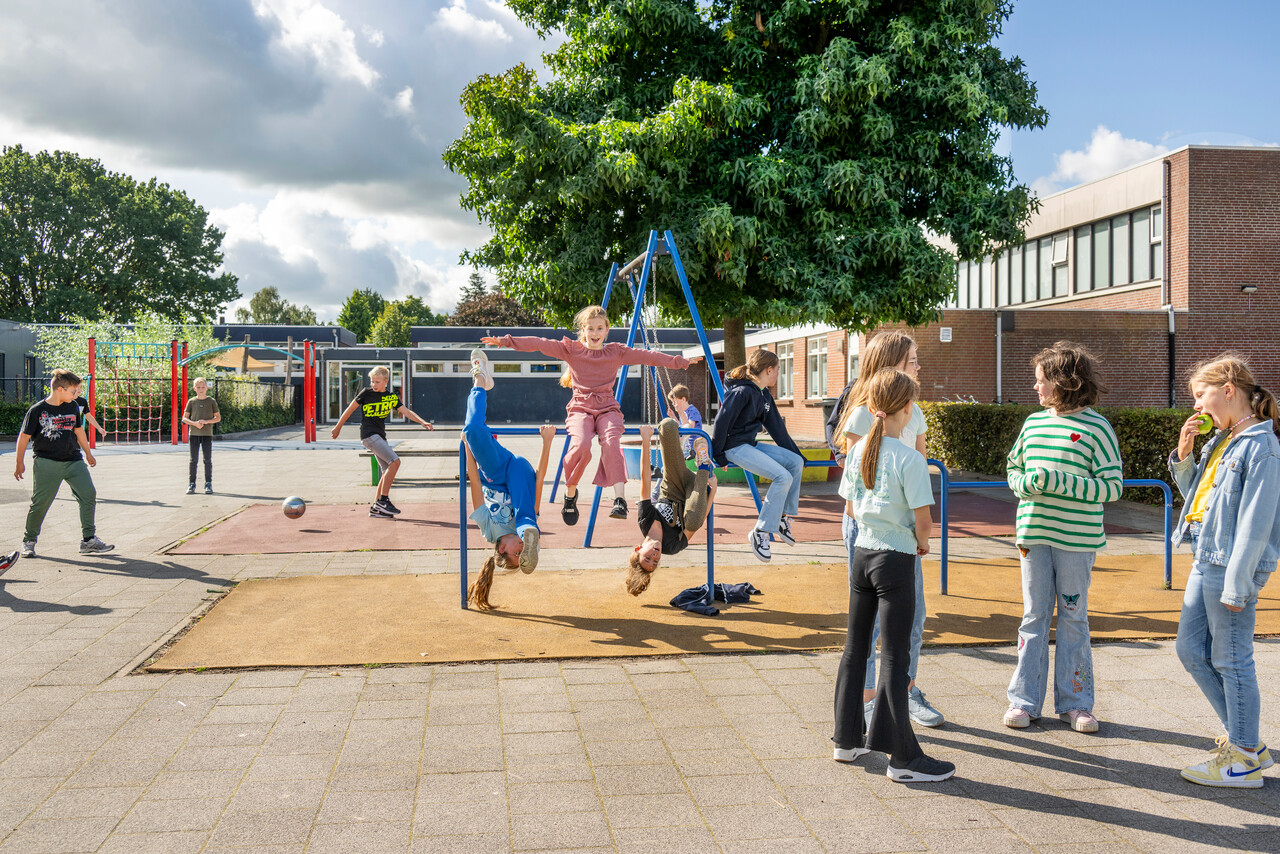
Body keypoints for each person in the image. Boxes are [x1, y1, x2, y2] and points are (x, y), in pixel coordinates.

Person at [832, 368, 952, 782]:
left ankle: (846, 740)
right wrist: (923, 544)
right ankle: (902, 759)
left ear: (871, 406)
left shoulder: (860, 451)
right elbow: (924, 521)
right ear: (908, 407)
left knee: (855, 649)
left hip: (862, 556)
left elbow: (850, 508)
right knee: (895, 655)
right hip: (895, 559)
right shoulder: (910, 459)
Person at [1169, 354, 1279, 788]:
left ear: (1228, 390)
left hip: (1229, 563)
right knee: (1191, 650)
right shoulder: (1225, 439)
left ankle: (1244, 759)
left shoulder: (1261, 446)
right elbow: (1198, 498)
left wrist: (1238, 584)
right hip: (1206, 554)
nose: (1197, 406)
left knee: (1231, 658)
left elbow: (1256, 522)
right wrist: (1184, 456)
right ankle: (1246, 743)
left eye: (1201, 394)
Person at [481, 305, 699, 524]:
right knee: (582, 444)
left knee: (611, 441)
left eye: (599, 328)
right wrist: (506, 341)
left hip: (607, 408)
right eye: (591, 328)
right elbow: (539, 343)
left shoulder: (616, 352)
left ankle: (620, 500)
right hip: (580, 407)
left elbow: (648, 356)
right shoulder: (571, 349)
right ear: (583, 330)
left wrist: (680, 362)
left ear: (607, 330)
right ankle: (570, 494)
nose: (595, 333)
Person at [1005, 341, 1122, 734]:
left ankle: (1076, 703)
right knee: (1033, 617)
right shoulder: (1033, 424)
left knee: (1073, 619)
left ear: (1065, 382)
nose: (1035, 387)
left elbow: (1112, 487)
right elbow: (1014, 469)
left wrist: (1058, 482)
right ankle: (1023, 701)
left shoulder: (1097, 428)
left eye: (1041, 380)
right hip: (1033, 535)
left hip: (1077, 541)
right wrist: (1025, 483)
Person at [464, 349, 557, 610]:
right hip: (520, 477)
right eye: (524, 551)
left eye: (518, 552)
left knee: (472, 430)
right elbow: (539, 481)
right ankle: (531, 530)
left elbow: (475, 482)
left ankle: (480, 379)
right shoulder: (522, 530)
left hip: (494, 475)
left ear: (502, 549)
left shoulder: (488, 529)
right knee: (527, 515)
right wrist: (547, 443)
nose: (520, 548)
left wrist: (469, 447)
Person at [711, 348, 804, 563]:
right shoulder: (741, 392)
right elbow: (721, 423)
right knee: (783, 477)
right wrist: (719, 455)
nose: (778, 374)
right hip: (734, 447)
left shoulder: (763, 395)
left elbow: (777, 428)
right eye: (778, 370)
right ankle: (760, 531)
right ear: (768, 370)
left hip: (749, 445)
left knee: (796, 462)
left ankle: (781, 517)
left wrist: (797, 454)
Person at [14, 369, 114, 558]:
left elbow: (79, 431)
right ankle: (29, 541)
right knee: (40, 503)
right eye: (73, 391)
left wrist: (88, 453)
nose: (76, 395)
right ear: (60, 389)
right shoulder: (37, 410)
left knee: (88, 494)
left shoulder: (73, 406)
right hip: (47, 462)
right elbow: (24, 436)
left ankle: (88, 541)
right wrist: (19, 462)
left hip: (74, 460)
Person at [627, 418, 718, 596]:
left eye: (648, 557)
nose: (655, 556)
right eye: (655, 561)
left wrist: (646, 440)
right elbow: (698, 520)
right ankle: (703, 464)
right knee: (693, 522)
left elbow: (646, 479)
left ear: (638, 549)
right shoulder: (673, 546)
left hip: (673, 485)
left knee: (667, 426)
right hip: (695, 492)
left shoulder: (645, 520)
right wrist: (713, 491)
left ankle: (683, 439)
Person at [330, 366, 434, 518]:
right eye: (372, 381)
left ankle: (376, 508)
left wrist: (422, 422)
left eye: (377, 382)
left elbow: (406, 411)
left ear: (386, 381)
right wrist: (338, 427)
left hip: (379, 436)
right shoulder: (366, 393)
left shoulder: (391, 397)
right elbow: (350, 409)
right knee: (395, 462)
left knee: (386, 471)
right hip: (369, 435)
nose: (374, 384)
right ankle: (383, 501)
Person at [181, 377, 221, 495]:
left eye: (203, 387)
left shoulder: (211, 401)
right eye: (198, 387)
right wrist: (194, 424)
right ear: (194, 388)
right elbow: (184, 418)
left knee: (207, 460)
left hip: (207, 434)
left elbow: (218, 418)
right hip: (194, 434)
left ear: (207, 388)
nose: (201, 389)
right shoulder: (191, 401)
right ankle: (191, 484)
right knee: (193, 460)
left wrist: (206, 422)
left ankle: (208, 483)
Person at [667, 384, 703, 463]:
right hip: (686, 445)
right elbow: (682, 426)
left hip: (693, 446)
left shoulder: (692, 411)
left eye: (674, 401)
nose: (673, 404)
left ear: (683, 399)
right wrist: (673, 416)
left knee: (674, 461)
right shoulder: (684, 412)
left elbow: (689, 429)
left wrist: (681, 413)